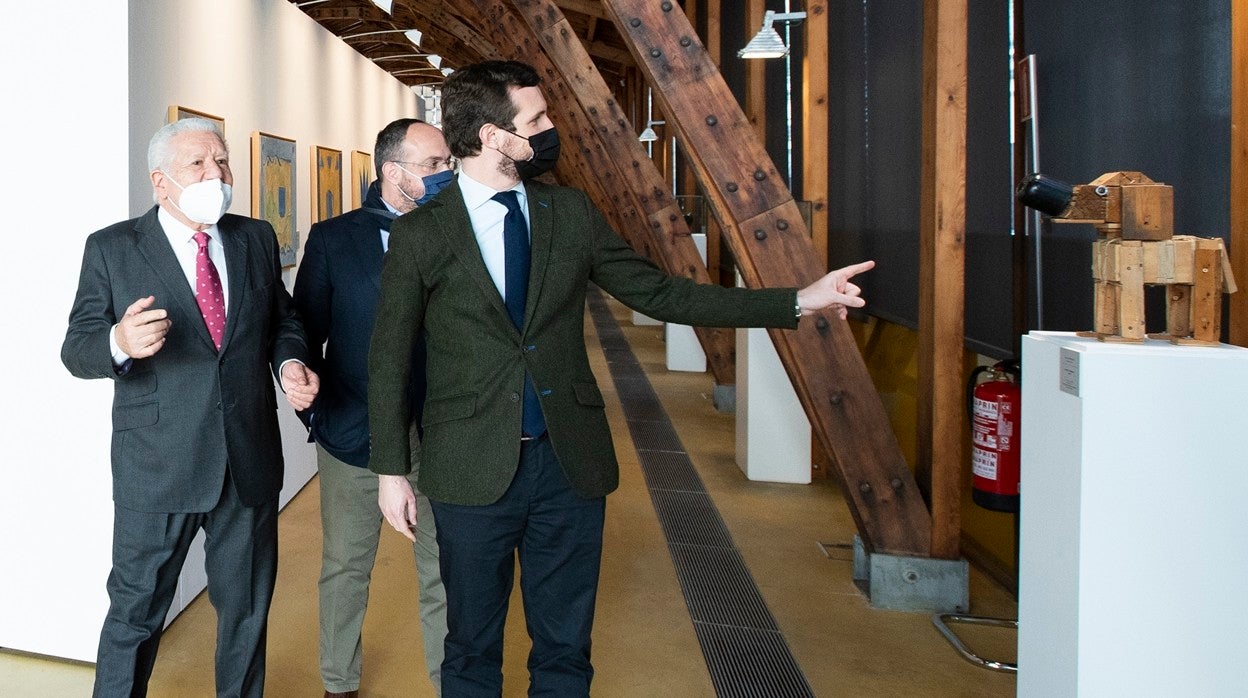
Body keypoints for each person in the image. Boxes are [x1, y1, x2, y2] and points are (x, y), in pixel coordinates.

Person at [367, 60, 875, 695]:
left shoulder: (569, 213)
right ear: (495, 135)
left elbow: (663, 295)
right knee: (470, 645)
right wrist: (391, 470)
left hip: (567, 466)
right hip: (469, 469)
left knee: (565, 647)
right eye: (538, 120)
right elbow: (388, 355)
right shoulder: (422, 233)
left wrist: (796, 300)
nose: (551, 130)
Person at [62, 117, 319, 697]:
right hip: (157, 467)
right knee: (135, 614)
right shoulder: (111, 248)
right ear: (160, 182)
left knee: (247, 613)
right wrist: (118, 344)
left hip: (247, 461)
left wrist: (289, 363)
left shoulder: (254, 237)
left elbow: (283, 320)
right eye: (198, 166)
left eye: (222, 162)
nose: (217, 175)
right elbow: (76, 348)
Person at [293, 118, 454, 698]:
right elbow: (303, 330)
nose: (445, 175)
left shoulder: (460, 233)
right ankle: (339, 682)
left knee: (445, 571)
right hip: (353, 433)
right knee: (345, 568)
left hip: (444, 436)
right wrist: (310, 405)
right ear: (392, 171)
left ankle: (449, 681)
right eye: (432, 165)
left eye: (446, 164)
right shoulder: (335, 239)